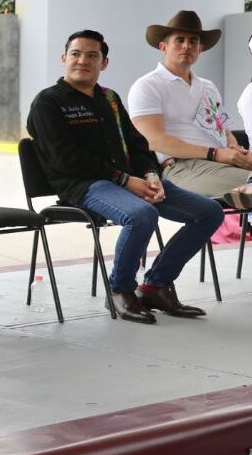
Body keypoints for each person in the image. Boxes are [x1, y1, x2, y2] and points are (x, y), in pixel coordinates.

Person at [28, 30, 219, 323]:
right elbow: (66, 159)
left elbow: (138, 144)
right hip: (83, 186)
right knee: (142, 215)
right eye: (76, 54)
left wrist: (151, 174)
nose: (83, 61)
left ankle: (154, 287)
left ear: (104, 63)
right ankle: (120, 290)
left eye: (92, 55)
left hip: (130, 181)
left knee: (209, 212)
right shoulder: (48, 102)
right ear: (64, 58)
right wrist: (125, 181)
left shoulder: (110, 99)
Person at [127, 10, 252, 208]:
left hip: (221, 164)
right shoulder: (147, 85)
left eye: (193, 41)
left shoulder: (208, 86)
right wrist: (215, 154)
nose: (187, 45)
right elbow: (154, 141)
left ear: (200, 48)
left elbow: (223, 129)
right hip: (181, 167)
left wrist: (234, 150)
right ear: (163, 46)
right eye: (180, 40)